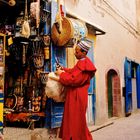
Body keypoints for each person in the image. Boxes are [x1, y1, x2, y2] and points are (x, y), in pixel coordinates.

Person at [55, 40, 97, 140]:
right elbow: (74, 71)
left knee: (76, 119)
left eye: (77, 52)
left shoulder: (85, 66)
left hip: (77, 97)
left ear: (84, 53)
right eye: (75, 51)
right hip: (75, 95)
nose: (75, 53)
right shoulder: (82, 63)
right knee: (73, 119)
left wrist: (61, 74)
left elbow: (74, 80)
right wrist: (64, 69)